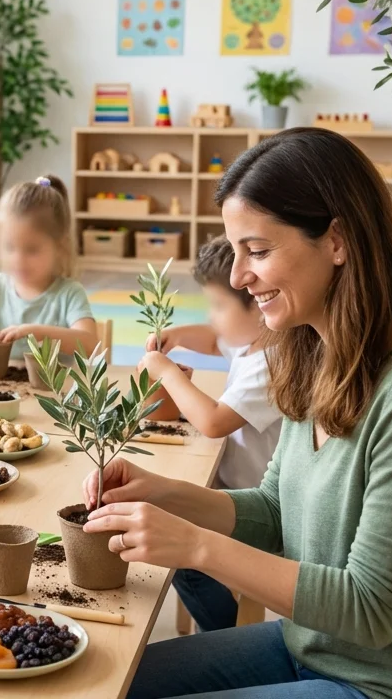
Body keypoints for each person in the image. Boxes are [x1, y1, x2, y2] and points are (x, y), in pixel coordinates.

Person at [84, 128, 392, 699]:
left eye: (257, 250)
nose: (236, 277)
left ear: (337, 241)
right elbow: (275, 510)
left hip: (370, 682)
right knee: (104, 685)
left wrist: (196, 546)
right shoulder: (313, 355)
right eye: (236, 252)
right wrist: (161, 492)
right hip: (306, 643)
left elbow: (371, 610)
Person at [138, 234, 282, 632]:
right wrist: (180, 335)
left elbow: (214, 421)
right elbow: (218, 342)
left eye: (218, 305)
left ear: (258, 303)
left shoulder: (273, 361)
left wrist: (166, 372)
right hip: (232, 487)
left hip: (259, 509)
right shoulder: (254, 341)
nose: (213, 317)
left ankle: (224, 633)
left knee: (176, 547)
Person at [0, 176, 98, 358]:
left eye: (32, 250)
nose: (19, 259)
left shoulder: (69, 293)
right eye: (10, 247)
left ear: (59, 247)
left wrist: (37, 332)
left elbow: (90, 345)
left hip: (53, 387)